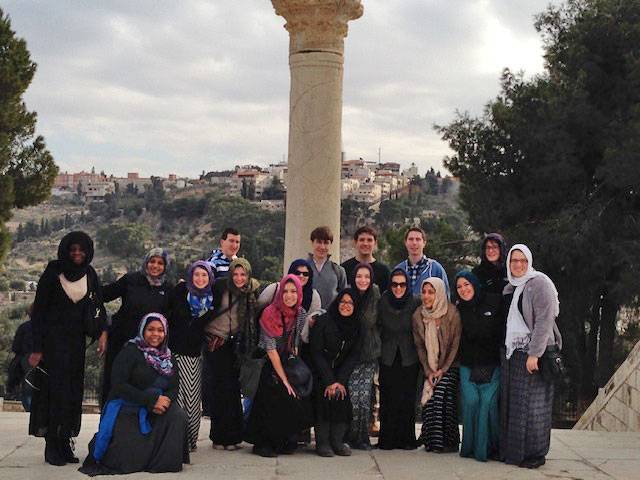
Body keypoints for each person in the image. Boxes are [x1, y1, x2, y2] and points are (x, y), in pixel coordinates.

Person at [28, 231, 107, 466]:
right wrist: (37, 348)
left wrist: (103, 332)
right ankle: (51, 446)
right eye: (73, 249)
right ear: (65, 250)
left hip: (75, 345)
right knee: (54, 394)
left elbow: (98, 306)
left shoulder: (90, 274)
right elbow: (39, 313)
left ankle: (64, 443)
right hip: (52, 345)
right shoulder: (53, 272)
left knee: (72, 394)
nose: (77, 253)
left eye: (81, 249)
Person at [79, 313, 187, 476]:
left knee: (177, 415)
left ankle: (161, 462)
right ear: (143, 330)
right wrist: (150, 400)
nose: (155, 334)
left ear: (165, 333)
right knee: (123, 455)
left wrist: (164, 401)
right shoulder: (130, 352)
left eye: (160, 330)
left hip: (157, 406)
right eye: (150, 329)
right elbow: (118, 385)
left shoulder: (169, 357)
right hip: (128, 405)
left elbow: (173, 387)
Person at [501, 244, 561, 469]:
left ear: (529, 262)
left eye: (522, 261)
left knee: (536, 408)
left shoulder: (539, 283)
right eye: (514, 261)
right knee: (518, 406)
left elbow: (544, 322)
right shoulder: (510, 288)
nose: (518, 265)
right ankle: (517, 453)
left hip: (536, 354)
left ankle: (536, 454)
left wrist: (534, 354)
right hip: (515, 355)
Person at [245, 274, 313, 457]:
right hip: (268, 361)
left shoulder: (300, 313)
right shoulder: (270, 313)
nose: (289, 295)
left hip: (286, 358)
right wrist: (285, 380)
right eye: (285, 291)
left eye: (293, 291)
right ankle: (263, 443)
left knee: (293, 398)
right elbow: (270, 349)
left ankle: (284, 439)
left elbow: (296, 343)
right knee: (273, 393)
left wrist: (294, 369)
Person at [101, 248, 172, 407]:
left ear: (166, 266)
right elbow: (102, 296)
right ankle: (107, 427)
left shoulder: (168, 289)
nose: (155, 266)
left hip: (148, 351)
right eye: (152, 261)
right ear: (146, 263)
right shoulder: (130, 280)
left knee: (139, 390)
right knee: (114, 386)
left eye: (160, 263)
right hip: (120, 343)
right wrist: (103, 328)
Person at [204, 258, 260, 450]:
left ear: (248, 274)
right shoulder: (220, 286)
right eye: (235, 274)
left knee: (234, 390)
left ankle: (234, 437)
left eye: (243, 274)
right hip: (216, 342)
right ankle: (218, 437)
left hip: (236, 345)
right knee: (218, 389)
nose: (238, 278)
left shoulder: (252, 291)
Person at [168, 261, 215, 452]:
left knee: (193, 401)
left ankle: (189, 440)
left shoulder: (212, 300)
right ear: (190, 276)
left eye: (204, 275)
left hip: (194, 355)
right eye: (196, 275)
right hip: (174, 352)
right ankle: (175, 440)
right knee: (176, 398)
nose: (200, 279)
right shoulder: (181, 291)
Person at [455, 271, 503, 462]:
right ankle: (469, 448)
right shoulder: (459, 309)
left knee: (486, 405)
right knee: (471, 402)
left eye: (467, 284)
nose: (463, 289)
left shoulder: (494, 302)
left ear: (475, 284)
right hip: (467, 365)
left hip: (492, 365)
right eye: (459, 287)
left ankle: (489, 449)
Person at [310, 289, 362, 457]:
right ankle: (323, 442)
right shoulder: (324, 321)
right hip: (320, 371)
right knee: (324, 396)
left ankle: (337, 441)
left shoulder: (357, 325)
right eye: (343, 302)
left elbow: (354, 355)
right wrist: (329, 380)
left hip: (340, 372)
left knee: (341, 395)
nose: (346, 306)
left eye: (350, 303)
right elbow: (316, 352)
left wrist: (339, 381)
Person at [412, 277, 461, 453]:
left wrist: (442, 370)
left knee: (440, 394)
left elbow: (455, 345)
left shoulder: (451, 313)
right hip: (430, 368)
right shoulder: (418, 315)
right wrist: (429, 371)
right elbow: (419, 346)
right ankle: (432, 442)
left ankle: (449, 442)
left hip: (450, 366)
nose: (426, 296)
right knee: (431, 398)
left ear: (439, 293)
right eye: (424, 292)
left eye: (431, 292)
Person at [376, 268, 421, 450]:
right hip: (387, 356)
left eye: (402, 284)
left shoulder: (415, 301)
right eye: (394, 284)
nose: (398, 288)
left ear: (407, 285)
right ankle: (387, 439)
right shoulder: (383, 301)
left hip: (409, 356)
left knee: (407, 398)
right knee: (388, 398)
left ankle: (406, 440)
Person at [346, 263, 381, 450]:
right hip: (350, 355)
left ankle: (362, 437)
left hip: (369, 353)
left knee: (364, 398)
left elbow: (373, 321)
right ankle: (349, 436)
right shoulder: (348, 294)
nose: (363, 280)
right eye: (359, 276)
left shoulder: (374, 294)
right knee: (352, 397)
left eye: (367, 276)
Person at [395, 226, 450, 298]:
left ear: (424, 243)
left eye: (418, 239)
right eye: (411, 239)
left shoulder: (435, 269)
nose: (414, 243)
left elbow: (445, 297)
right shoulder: (399, 269)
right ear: (405, 242)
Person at [341, 226, 391, 293]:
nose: (365, 243)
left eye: (369, 240)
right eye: (362, 240)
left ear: (375, 243)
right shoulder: (343, 269)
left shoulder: (384, 271)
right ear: (355, 242)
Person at [307, 226, 347, 308]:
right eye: (318, 242)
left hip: (331, 318)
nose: (322, 247)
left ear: (330, 245)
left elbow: (344, 298)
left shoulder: (338, 271)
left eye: (326, 243)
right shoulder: (301, 269)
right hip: (305, 318)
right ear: (312, 242)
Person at [8, 305, 34, 412]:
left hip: (26, 359)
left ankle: (30, 410)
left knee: (27, 388)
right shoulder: (49, 328)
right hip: (44, 360)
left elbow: (15, 347)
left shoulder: (24, 327)